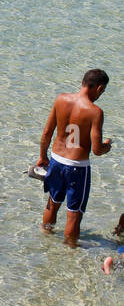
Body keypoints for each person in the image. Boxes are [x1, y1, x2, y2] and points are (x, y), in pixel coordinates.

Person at [37, 69, 111, 246]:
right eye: (103, 91)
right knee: (74, 214)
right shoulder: (95, 112)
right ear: (99, 88)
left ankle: (45, 236)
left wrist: (42, 157)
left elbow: (47, 132)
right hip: (77, 167)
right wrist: (107, 146)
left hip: (56, 160)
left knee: (53, 203)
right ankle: (70, 250)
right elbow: (97, 150)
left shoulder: (61, 99)